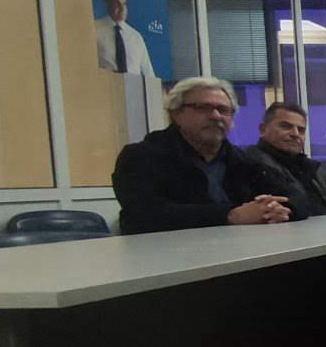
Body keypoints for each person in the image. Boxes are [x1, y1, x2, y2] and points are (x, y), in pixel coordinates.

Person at [112, 77, 302, 234]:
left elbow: (297, 198)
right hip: (165, 258)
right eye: (203, 108)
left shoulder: (243, 161)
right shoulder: (140, 157)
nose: (216, 116)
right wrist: (230, 215)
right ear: (175, 114)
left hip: (239, 254)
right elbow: (143, 215)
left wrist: (276, 211)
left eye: (223, 110)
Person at [244, 102, 326, 217]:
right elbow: (292, 209)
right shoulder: (251, 165)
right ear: (263, 129)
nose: (295, 134)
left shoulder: (310, 169)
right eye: (285, 126)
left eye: (301, 130)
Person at [94, 0, 156, 78]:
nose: (122, 9)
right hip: (104, 85)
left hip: (134, 87)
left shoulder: (136, 37)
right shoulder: (94, 30)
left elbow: (149, 74)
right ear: (107, 3)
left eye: (124, 4)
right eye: (117, 4)